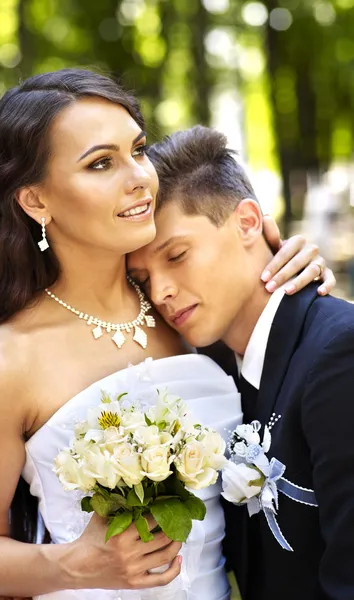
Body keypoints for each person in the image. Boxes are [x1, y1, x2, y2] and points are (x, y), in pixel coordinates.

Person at [0, 70, 334, 600]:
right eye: (101, 163)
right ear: (36, 201)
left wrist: (291, 276)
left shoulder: (188, 313)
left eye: (138, 149)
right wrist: (76, 565)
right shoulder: (3, 363)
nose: (139, 177)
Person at [127, 125, 354, 600]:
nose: (160, 292)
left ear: (249, 223)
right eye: (143, 278)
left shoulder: (338, 354)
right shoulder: (207, 372)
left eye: (177, 255)